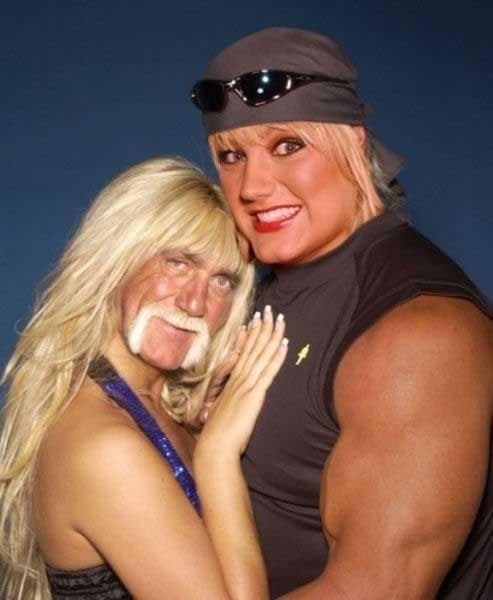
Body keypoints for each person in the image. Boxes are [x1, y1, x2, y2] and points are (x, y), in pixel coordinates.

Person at [191, 27, 493, 599]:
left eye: (288, 146)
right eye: (232, 157)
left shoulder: (418, 335)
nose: (253, 186)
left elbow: (375, 590)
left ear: (353, 142)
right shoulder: (262, 279)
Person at [0, 156, 289, 599]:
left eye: (222, 282)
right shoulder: (104, 446)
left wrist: (199, 427)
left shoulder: (152, 405)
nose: (195, 303)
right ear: (117, 258)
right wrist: (217, 455)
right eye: (177, 263)